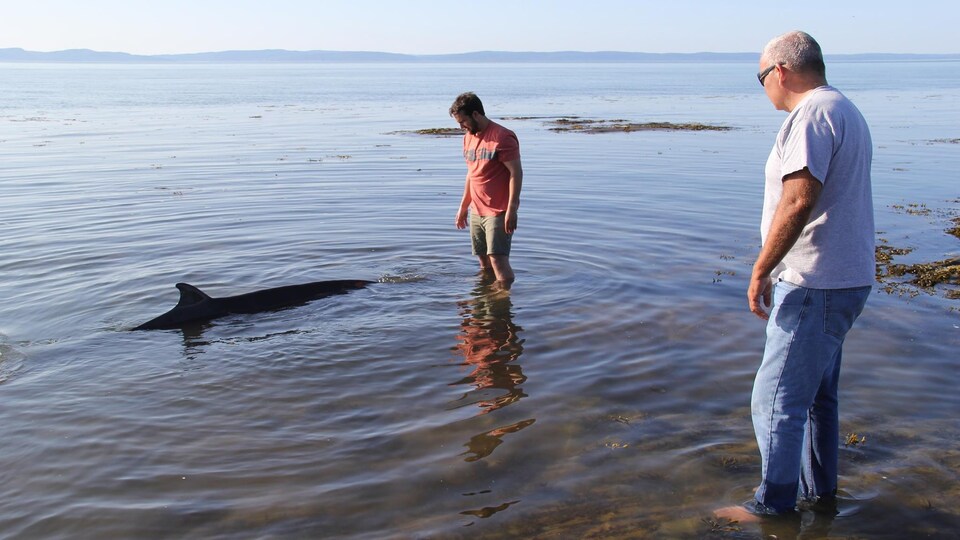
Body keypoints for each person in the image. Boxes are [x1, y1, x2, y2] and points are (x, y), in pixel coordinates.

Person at [717, 31, 875, 521]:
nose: (763, 87)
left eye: (761, 77)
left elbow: (799, 199)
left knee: (774, 402)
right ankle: (820, 496)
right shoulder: (843, 108)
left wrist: (761, 268)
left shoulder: (812, 116)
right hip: (844, 278)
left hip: (814, 282)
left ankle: (773, 506)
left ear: (780, 72)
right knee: (816, 401)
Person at [449, 92, 523, 286]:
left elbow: (516, 173)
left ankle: (503, 298)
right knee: (483, 260)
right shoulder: (468, 138)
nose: (461, 127)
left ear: (475, 114)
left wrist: (512, 209)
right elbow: (471, 174)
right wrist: (463, 206)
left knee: (498, 258)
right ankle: (487, 296)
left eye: (463, 121)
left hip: (498, 210)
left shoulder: (502, 137)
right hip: (477, 209)